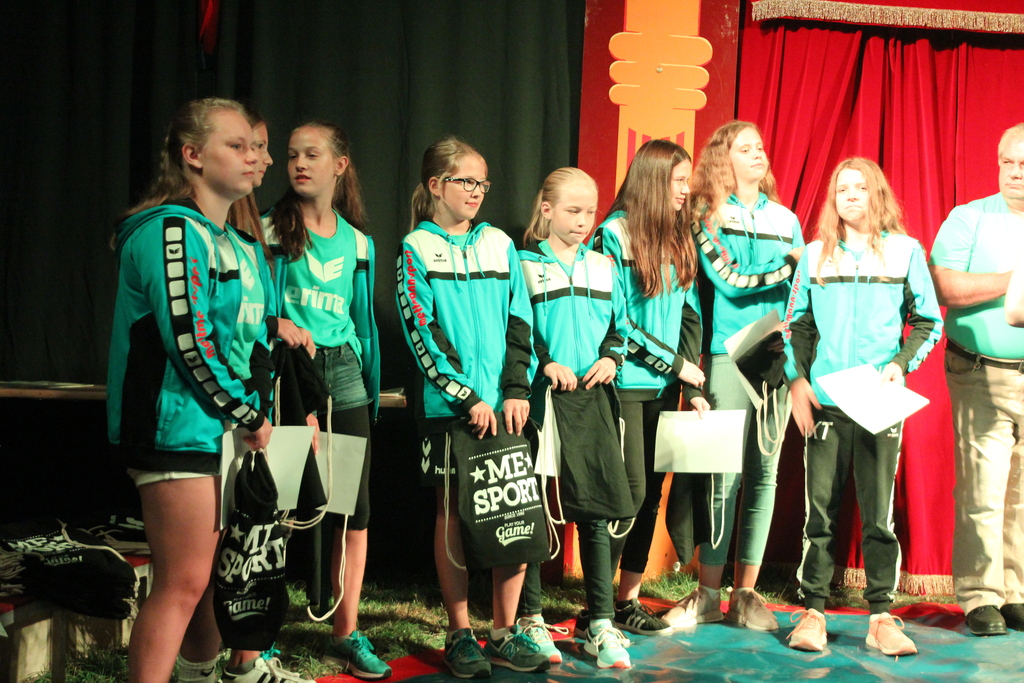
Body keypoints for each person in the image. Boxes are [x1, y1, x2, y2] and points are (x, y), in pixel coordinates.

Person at [107, 98, 311, 683]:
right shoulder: (169, 229)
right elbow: (188, 341)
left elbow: (250, 341)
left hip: (226, 430)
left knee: (212, 576)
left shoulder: (237, 241)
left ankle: (202, 673)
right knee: (183, 580)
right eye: (237, 145)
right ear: (192, 155)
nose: (256, 157)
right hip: (175, 426)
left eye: (257, 146)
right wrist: (246, 412)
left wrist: (263, 415)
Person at [396, 137, 548, 678]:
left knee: (513, 511)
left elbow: (521, 319)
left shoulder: (501, 244)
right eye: (465, 181)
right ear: (436, 185)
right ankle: (460, 633)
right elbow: (422, 330)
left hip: (505, 407)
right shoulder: (416, 247)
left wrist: (514, 390)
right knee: (454, 514)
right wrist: (466, 395)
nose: (476, 191)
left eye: (482, 182)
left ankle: (504, 631)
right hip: (450, 410)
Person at [784, 157, 942, 655]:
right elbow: (796, 326)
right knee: (819, 514)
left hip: (878, 402)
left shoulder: (905, 252)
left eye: (860, 187)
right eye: (842, 188)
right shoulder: (814, 256)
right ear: (833, 199)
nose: (851, 195)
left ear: (878, 195)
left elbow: (929, 321)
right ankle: (813, 612)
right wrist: (797, 381)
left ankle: (881, 617)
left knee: (878, 516)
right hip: (826, 403)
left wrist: (899, 364)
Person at [664, 121, 803, 632]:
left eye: (761, 147)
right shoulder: (707, 215)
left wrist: (793, 340)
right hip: (727, 355)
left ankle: (745, 595)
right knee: (721, 475)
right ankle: (706, 594)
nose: (758, 154)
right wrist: (789, 265)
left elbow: (803, 290)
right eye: (746, 149)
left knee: (764, 474)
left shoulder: (786, 218)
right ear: (724, 159)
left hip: (774, 357)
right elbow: (730, 281)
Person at [263, 122, 388, 678]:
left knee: (351, 509)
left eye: (311, 154)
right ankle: (261, 637)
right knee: (280, 504)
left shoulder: (358, 242)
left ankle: (346, 631)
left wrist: (361, 369)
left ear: (339, 165)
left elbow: (361, 317)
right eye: (292, 155)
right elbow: (258, 307)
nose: (298, 163)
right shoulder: (270, 229)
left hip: (343, 372)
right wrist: (280, 330)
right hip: (291, 373)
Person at [588, 138, 709, 637]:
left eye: (687, 181)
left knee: (650, 496)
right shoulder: (613, 235)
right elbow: (615, 321)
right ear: (655, 180)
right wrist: (675, 364)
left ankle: (626, 601)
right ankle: (596, 608)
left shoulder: (679, 237)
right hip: (625, 384)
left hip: (665, 388)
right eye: (678, 181)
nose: (685, 190)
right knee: (627, 494)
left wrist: (690, 381)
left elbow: (690, 314)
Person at [517, 168, 633, 668]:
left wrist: (611, 357)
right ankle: (530, 618)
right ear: (546, 210)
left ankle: (600, 624)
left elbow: (621, 327)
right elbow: (517, 328)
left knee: (595, 509)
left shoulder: (604, 266)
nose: (584, 221)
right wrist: (545, 363)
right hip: (542, 399)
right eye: (572, 211)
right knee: (531, 509)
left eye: (590, 211)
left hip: (590, 399)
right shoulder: (524, 264)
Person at [930, 123, 1024, 636]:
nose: (1016, 173)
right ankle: (981, 596)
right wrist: (1016, 281)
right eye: (1008, 162)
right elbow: (943, 285)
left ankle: (1016, 593)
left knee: (1022, 495)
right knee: (983, 489)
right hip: (980, 371)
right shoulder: (969, 217)